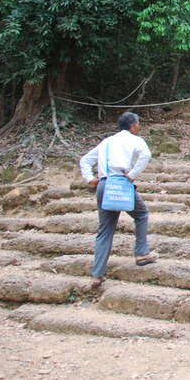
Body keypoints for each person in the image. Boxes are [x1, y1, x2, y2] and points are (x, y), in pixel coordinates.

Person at [79, 111, 158, 287]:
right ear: (132, 126)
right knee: (141, 214)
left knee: (105, 229)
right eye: (138, 124)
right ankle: (141, 253)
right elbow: (146, 155)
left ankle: (97, 274)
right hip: (121, 184)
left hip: (104, 185)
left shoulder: (107, 142)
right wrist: (132, 175)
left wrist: (90, 179)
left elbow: (85, 160)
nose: (139, 127)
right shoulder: (135, 140)